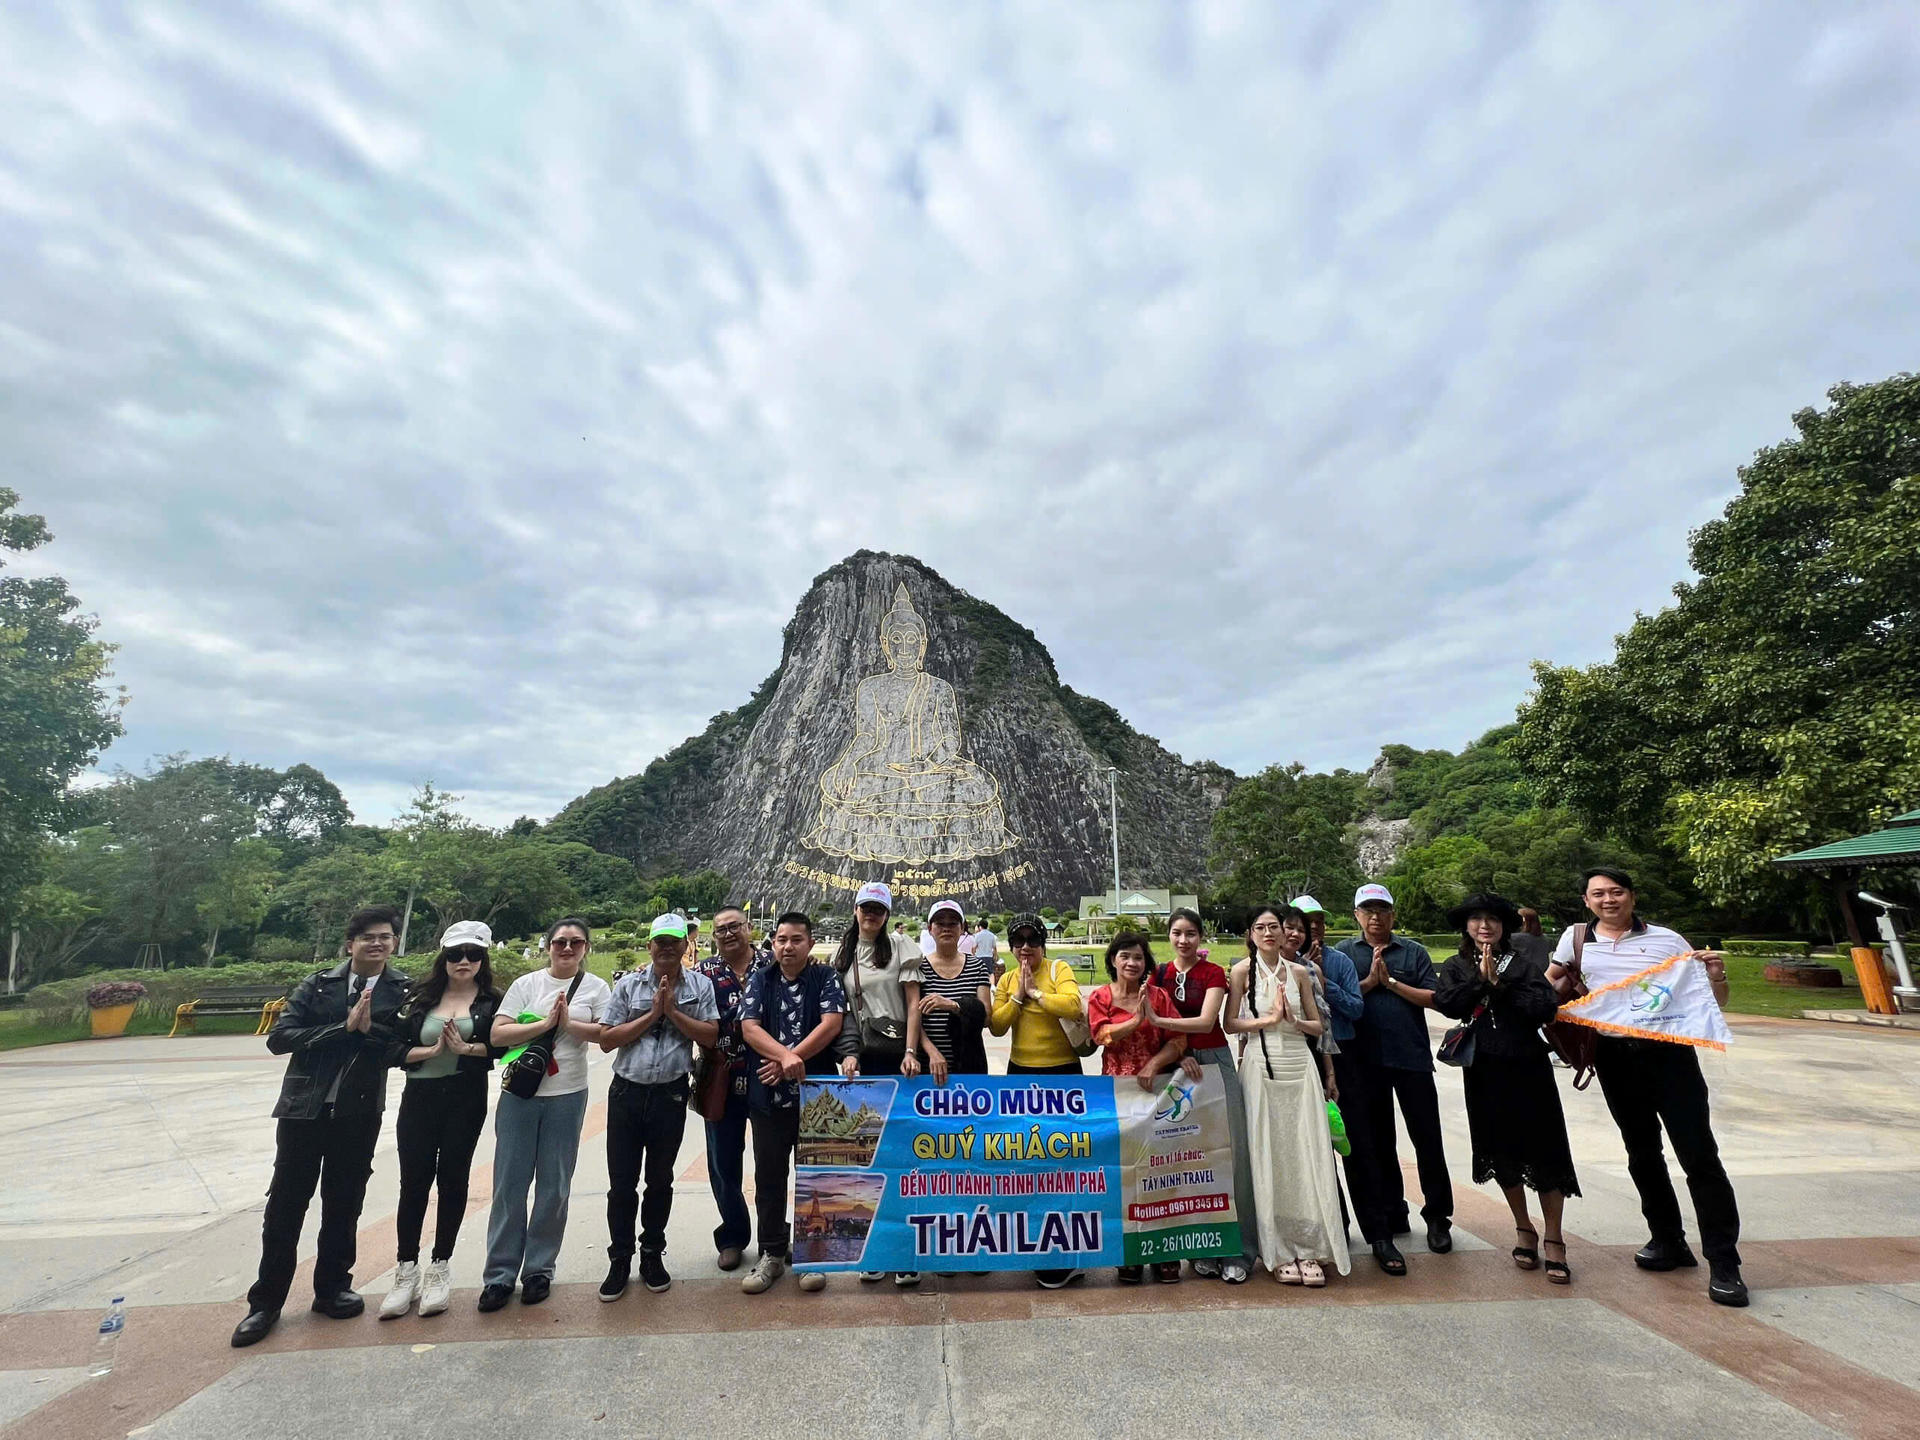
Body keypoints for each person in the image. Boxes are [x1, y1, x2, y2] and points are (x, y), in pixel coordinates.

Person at [1549, 867, 1746, 1306]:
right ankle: (1667, 1239)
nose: (1608, 900)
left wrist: (1716, 976)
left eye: (1616, 892)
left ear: (1632, 897)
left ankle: (1724, 1262)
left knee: (1699, 1155)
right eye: (1598, 894)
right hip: (1615, 1058)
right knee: (1641, 1152)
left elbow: (1711, 1002)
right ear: (1586, 901)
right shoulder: (1576, 940)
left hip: (1671, 1056)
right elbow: (1549, 985)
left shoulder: (1668, 940)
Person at [233, 906, 412, 1347]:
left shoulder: (403, 990)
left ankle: (332, 1288)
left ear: (394, 943)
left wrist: (366, 1033)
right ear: (350, 945)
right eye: (367, 937)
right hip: (303, 1111)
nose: (377, 943)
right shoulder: (318, 985)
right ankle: (265, 1302)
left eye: (385, 936)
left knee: (344, 1202)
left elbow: (400, 1046)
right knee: (285, 1205)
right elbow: (280, 1038)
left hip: (358, 1112)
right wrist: (342, 1029)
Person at [1432, 893, 1580, 1285]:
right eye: (1477, 919)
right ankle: (1523, 1228)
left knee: (1546, 1150)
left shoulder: (1524, 964)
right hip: (1484, 1070)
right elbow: (1447, 1003)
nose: (1485, 926)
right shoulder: (1456, 965)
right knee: (1500, 1151)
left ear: (1504, 926)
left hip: (1528, 1068)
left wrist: (1500, 985)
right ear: (1466, 926)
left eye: (1493, 919)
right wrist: (1479, 981)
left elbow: (1543, 1008)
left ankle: (1554, 1237)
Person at [477, 917, 611, 1311]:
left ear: (586, 948)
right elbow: (498, 1034)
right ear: (548, 946)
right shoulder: (527, 984)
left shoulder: (596, 987)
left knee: (554, 1185)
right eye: (560, 942)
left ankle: (539, 1269)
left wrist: (569, 1024)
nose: (567, 948)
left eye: (576, 942)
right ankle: (499, 1274)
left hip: (567, 1094)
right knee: (509, 1185)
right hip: (521, 1094)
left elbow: (606, 1035)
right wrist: (546, 1024)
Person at [379, 920, 499, 1320]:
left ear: (483, 959)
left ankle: (439, 1267)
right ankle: (405, 1269)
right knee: (413, 1182)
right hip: (420, 1097)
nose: (464, 961)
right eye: (455, 954)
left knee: (453, 1180)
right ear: (443, 958)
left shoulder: (492, 1001)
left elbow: (503, 1047)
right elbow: (390, 1049)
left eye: (473, 954)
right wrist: (428, 1053)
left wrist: (466, 1049)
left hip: (465, 1098)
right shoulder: (419, 998)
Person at [596, 913, 719, 1301]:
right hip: (627, 1093)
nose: (667, 948)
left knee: (660, 1180)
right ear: (649, 945)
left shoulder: (700, 986)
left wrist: (673, 1012)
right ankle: (620, 1258)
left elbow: (711, 1036)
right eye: (660, 941)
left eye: (674, 941)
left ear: (685, 945)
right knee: (621, 1183)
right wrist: (653, 1014)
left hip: (670, 1094)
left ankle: (651, 1253)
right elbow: (606, 1040)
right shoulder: (628, 985)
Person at [1226, 904, 1350, 1287]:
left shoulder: (1299, 972)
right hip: (1261, 1068)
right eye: (1260, 927)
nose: (1268, 933)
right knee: (1269, 1154)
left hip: (1299, 1066)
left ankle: (1311, 1246)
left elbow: (1318, 1025)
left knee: (1305, 1153)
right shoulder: (1241, 972)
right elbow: (1230, 1023)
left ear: (1284, 933)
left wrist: (1294, 1021)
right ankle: (1278, 1249)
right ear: (1251, 934)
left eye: (1274, 927)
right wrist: (1267, 1020)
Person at [1336, 884, 1454, 1256]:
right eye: (1367, 910)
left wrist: (1392, 983)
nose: (1375, 917)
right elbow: (1337, 1000)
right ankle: (1392, 1210)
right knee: (1378, 1141)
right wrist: (1371, 983)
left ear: (1393, 914)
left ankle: (1438, 1216)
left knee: (1427, 1139)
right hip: (1364, 1061)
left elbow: (1434, 998)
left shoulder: (1413, 952)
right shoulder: (1344, 953)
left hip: (1411, 1057)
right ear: (1356, 915)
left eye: (1382, 910)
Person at [738, 912, 846, 1295]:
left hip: (816, 1098)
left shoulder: (825, 977)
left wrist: (789, 1059)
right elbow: (749, 1027)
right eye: (781, 939)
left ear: (810, 943)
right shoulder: (760, 979)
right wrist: (785, 1058)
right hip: (768, 1098)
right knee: (769, 1178)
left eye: (796, 939)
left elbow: (831, 1023)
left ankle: (812, 1255)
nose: (787, 946)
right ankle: (771, 1252)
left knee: (814, 1179)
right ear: (773, 943)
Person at [1295, 895, 1398, 1272]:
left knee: (1357, 1145)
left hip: (1343, 1055)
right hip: (1300, 1058)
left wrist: (1324, 982)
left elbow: (1355, 1008)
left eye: (1317, 921)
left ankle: (1380, 1235)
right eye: (1302, 922)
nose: (1311, 928)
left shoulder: (1338, 961)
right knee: (1314, 1148)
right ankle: (1335, 1223)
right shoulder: (1279, 964)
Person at [1087, 932, 1196, 1284]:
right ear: (1113, 960)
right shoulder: (1101, 997)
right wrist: (1135, 1021)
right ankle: (1130, 1253)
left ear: (1146, 962)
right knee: (1124, 1173)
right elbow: (1100, 1035)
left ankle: (1164, 1251)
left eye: (1138, 957)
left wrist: (1154, 1063)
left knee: (1159, 1171)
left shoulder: (1159, 997)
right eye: (1125, 956)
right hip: (1116, 1095)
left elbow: (1178, 1039)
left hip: (1156, 1094)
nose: (1132, 963)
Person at [1150, 908, 1252, 1284]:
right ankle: (1200, 1248)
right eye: (1177, 933)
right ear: (1169, 936)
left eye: (1191, 933)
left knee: (1230, 1153)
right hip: (1175, 1067)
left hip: (1213, 1063)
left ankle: (1238, 1249)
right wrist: (1177, 1053)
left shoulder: (1212, 974)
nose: (1183, 940)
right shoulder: (1159, 974)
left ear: (1201, 937)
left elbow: (1207, 1021)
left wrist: (1160, 1021)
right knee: (1186, 1159)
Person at [834, 883, 925, 1288]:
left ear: (887, 914)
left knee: (903, 1156)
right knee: (866, 1157)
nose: (870, 914)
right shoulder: (844, 953)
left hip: (899, 1059)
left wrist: (911, 1051)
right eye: (865, 908)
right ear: (855, 910)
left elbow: (912, 1003)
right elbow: (842, 1012)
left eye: (878, 909)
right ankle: (873, 1249)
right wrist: (848, 1053)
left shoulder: (901, 947)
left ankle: (905, 1251)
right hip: (862, 1059)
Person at [988, 917, 1087, 1289]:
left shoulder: (1058, 970)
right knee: (1029, 1161)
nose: (1026, 947)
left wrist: (1037, 995)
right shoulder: (1008, 980)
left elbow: (1073, 1004)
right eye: (1018, 941)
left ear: (1043, 944)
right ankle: (1037, 1240)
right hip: (1021, 1076)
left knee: (1066, 1160)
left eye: (1032, 940)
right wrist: (1018, 995)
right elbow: (997, 1025)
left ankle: (1068, 1250)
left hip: (1062, 1076)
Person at [698, 905, 765, 1271]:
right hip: (721, 1079)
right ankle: (733, 1236)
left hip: (768, 1074)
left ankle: (774, 1236)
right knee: (723, 1163)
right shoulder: (703, 972)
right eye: (720, 929)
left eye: (734, 926)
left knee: (771, 1162)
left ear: (748, 928)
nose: (728, 933)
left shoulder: (772, 963)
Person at [919, 908, 996, 1079]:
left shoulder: (977, 967)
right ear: (930, 929)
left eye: (953, 924)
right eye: (940, 924)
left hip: (969, 1064)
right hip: (928, 1064)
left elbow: (986, 1017)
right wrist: (932, 1052)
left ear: (962, 928)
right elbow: (912, 1018)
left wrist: (954, 1006)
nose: (946, 928)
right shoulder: (919, 968)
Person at [971, 917, 1002, 982]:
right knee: (991, 973)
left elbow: (974, 947)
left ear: (980, 927)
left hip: (979, 957)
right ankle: (992, 985)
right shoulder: (991, 935)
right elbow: (994, 948)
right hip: (989, 957)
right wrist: (995, 956)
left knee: (979, 973)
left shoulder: (977, 935)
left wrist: (973, 955)